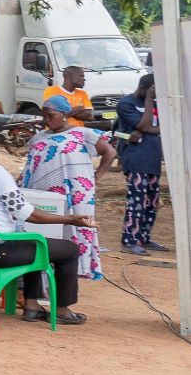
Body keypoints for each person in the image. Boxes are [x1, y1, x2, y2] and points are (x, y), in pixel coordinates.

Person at [0, 131, 93, 324]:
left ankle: (32, 307)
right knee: (69, 250)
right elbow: (27, 214)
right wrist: (68, 219)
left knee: (31, 241)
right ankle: (62, 311)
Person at [21, 94, 116, 279]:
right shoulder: (38, 137)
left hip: (75, 194)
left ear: (64, 114)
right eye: (44, 116)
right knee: (46, 231)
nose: (46, 120)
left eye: (50, 115)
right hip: (43, 194)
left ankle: (73, 273)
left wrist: (95, 178)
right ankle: (42, 276)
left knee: (76, 226)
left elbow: (110, 152)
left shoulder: (83, 134)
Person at [116, 74, 166, 255]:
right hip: (136, 158)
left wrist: (148, 130)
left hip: (153, 158)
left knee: (152, 202)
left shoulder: (156, 104)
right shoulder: (126, 104)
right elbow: (144, 126)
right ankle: (129, 241)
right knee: (137, 201)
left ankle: (144, 238)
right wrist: (148, 100)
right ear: (145, 88)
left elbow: (163, 127)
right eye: (154, 91)